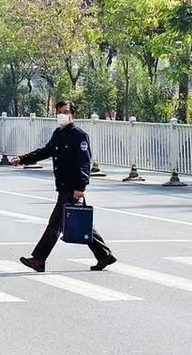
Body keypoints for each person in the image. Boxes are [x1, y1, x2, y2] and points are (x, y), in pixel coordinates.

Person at [11, 101, 117, 272]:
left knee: (55, 224)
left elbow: (84, 163)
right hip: (63, 186)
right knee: (78, 221)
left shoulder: (79, 136)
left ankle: (39, 259)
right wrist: (22, 159)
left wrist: (81, 187)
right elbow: (45, 151)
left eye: (66, 111)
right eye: (59, 112)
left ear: (73, 114)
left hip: (72, 187)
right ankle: (104, 255)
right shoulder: (58, 134)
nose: (62, 115)